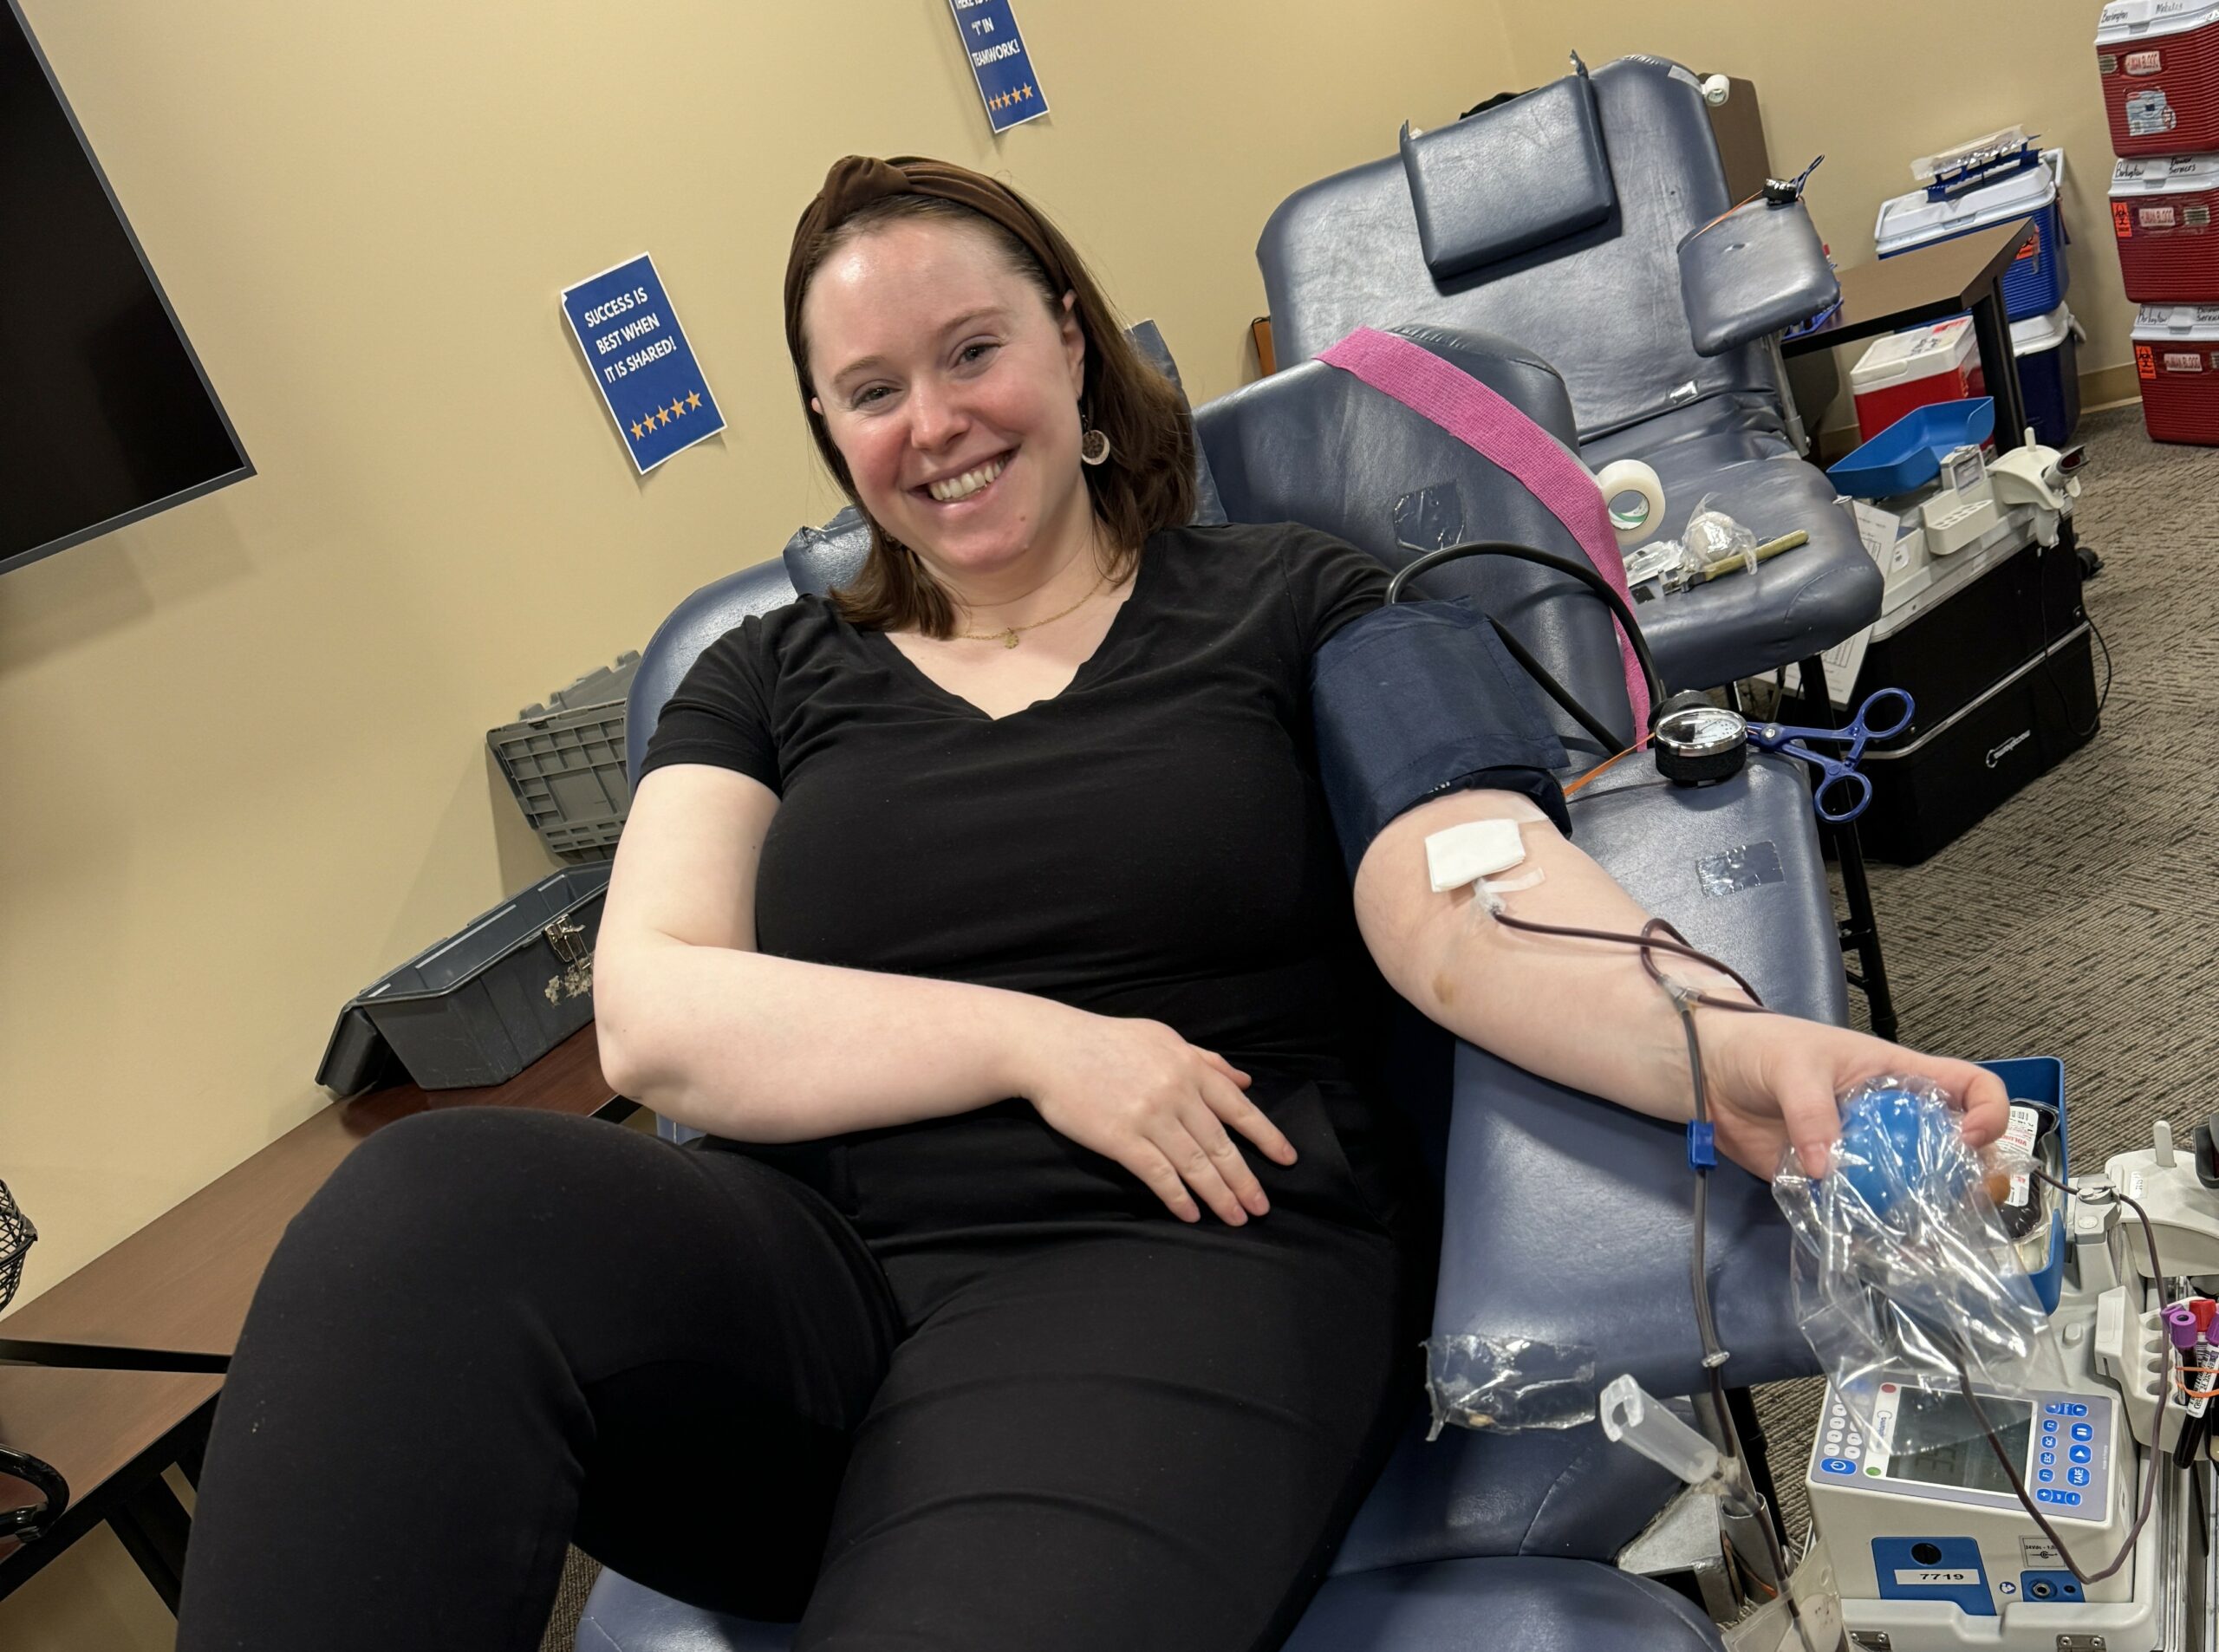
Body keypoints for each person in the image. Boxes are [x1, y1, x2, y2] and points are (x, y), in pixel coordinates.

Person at [175, 155, 2008, 1652]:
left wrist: (1735, 1048)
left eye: (969, 351)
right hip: (812, 1288)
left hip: (1176, 1249)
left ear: (1065, 334)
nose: (934, 424)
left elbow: (1466, 889)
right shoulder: (766, 673)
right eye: (870, 393)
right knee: (422, 1205)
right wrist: (1040, 1041)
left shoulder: (1296, 597)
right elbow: (658, 1014)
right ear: (828, 430)